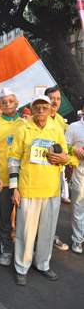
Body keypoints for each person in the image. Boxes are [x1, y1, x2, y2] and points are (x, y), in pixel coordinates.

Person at [8, 95, 68, 286]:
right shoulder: (23, 129)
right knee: (26, 231)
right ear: (32, 110)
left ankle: (42, 264)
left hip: (51, 190)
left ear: (50, 109)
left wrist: (62, 159)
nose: (41, 110)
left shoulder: (56, 129)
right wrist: (14, 187)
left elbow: (65, 155)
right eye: (37, 107)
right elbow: (13, 159)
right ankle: (21, 266)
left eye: (44, 107)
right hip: (29, 188)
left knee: (47, 231)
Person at [0, 87, 23, 266]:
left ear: (17, 103)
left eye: (11, 101)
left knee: (23, 218)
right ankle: (6, 249)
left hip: (23, 180)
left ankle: (24, 249)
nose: (8, 104)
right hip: (2, 180)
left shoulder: (26, 124)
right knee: (4, 218)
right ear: (0, 105)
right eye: (4, 102)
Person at [45, 85, 70, 251]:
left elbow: (67, 145)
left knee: (54, 209)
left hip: (56, 172)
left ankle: (51, 236)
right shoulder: (38, 117)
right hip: (38, 172)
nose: (55, 102)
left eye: (58, 99)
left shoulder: (61, 120)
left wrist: (68, 159)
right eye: (52, 98)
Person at [65, 104, 84, 253]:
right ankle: (77, 240)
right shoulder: (74, 127)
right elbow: (65, 146)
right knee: (78, 207)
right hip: (80, 172)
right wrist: (75, 150)